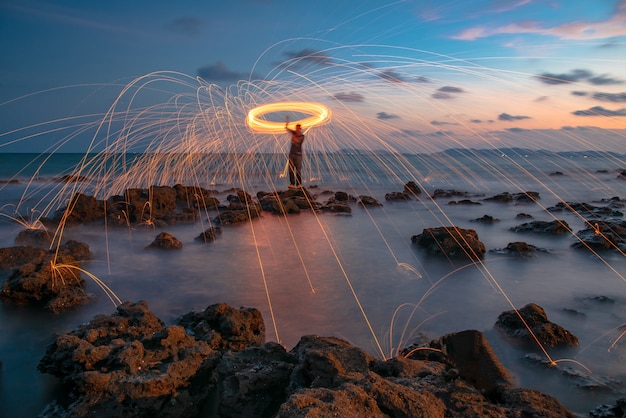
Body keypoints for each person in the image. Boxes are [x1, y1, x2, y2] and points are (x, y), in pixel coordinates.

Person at [285, 122, 305, 188]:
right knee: (291, 169)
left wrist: (294, 137)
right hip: (291, 154)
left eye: (298, 128)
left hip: (298, 155)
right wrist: (287, 125)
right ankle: (292, 184)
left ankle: (299, 184)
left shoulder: (302, 136)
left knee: (298, 170)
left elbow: (298, 141)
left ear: (300, 129)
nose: (297, 129)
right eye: (296, 128)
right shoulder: (294, 133)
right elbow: (288, 129)